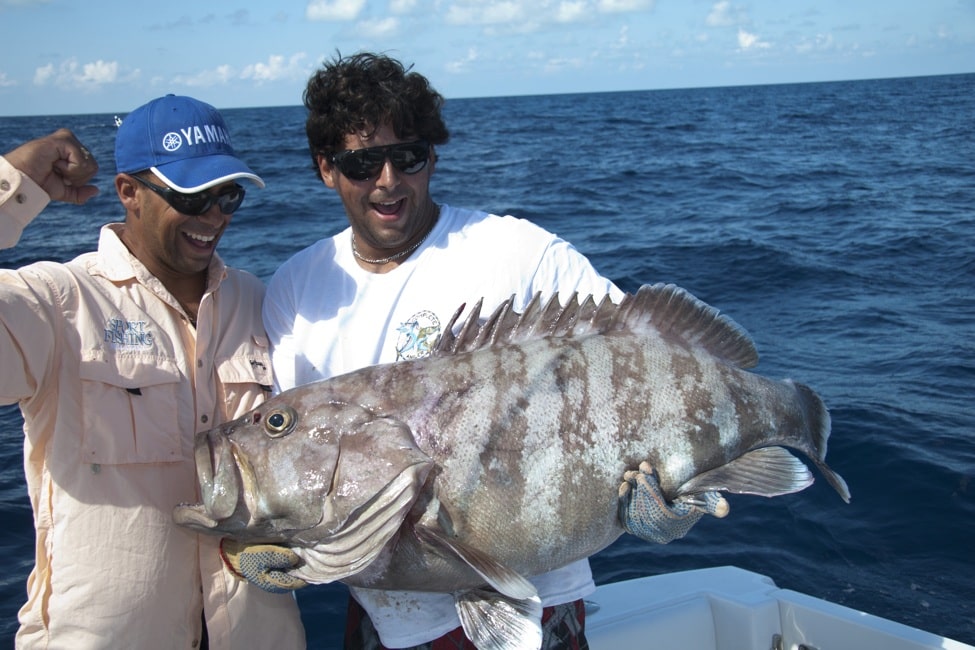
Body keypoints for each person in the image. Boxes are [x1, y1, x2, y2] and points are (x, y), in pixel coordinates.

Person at [252, 52, 721, 650]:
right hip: (387, 621)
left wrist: (676, 492)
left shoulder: (517, 254)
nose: (388, 180)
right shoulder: (296, 289)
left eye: (408, 156)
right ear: (326, 168)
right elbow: (291, 457)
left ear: (432, 156)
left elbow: (644, 356)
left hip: (542, 604)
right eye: (363, 163)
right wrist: (268, 536)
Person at [0, 96, 305, 648]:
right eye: (192, 196)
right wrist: (12, 186)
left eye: (228, 195)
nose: (214, 216)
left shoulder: (258, 301)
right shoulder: (57, 302)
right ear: (128, 192)